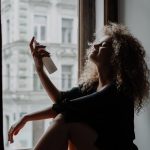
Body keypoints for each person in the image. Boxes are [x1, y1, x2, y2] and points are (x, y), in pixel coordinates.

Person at [8, 23, 150, 150]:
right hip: (100, 145)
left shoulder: (118, 91)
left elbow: (66, 108)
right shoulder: (92, 86)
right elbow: (60, 99)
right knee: (67, 121)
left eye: (103, 45)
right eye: (97, 43)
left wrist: (26, 117)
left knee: (64, 119)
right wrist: (40, 70)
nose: (95, 46)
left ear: (117, 57)